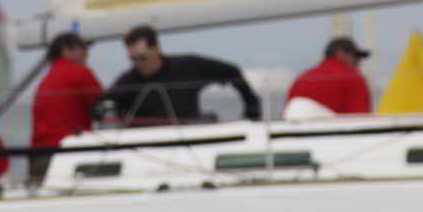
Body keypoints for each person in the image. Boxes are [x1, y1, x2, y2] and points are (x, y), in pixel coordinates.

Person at [104, 25, 262, 124]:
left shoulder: (188, 66)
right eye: (133, 59)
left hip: (189, 139)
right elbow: (103, 103)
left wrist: (252, 107)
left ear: (156, 48)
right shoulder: (127, 81)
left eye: (142, 57)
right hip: (146, 144)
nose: (138, 63)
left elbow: (231, 71)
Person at [29, 32, 103, 181]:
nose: (87, 54)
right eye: (82, 48)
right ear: (66, 50)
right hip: (69, 153)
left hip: (38, 156)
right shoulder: (80, 73)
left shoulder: (45, 81)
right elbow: (103, 107)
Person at [285, 36, 372, 116]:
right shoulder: (353, 78)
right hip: (334, 127)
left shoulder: (302, 78)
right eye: (356, 56)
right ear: (341, 53)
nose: (358, 62)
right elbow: (360, 118)